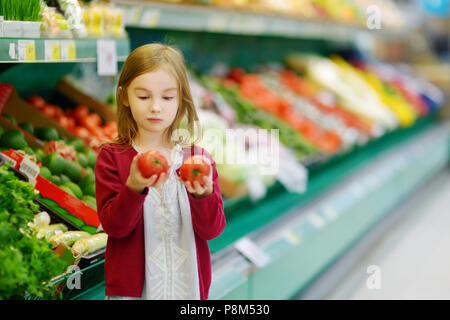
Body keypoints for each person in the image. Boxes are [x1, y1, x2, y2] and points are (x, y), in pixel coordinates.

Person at [94, 43, 226, 300]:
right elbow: (114, 227)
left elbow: (212, 230)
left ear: (181, 99)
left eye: (167, 97)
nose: (155, 107)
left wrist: (204, 194)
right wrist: (133, 187)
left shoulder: (197, 159)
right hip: (133, 294)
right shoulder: (112, 157)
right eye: (143, 97)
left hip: (187, 290)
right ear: (124, 96)